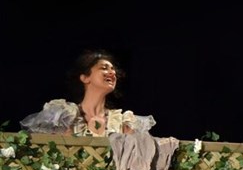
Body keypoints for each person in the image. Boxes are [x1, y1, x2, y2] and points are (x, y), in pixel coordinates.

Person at [20, 50, 155, 136]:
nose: (112, 72)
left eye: (113, 69)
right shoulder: (64, 116)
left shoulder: (123, 122)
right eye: (104, 68)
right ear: (85, 78)